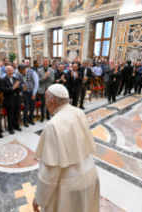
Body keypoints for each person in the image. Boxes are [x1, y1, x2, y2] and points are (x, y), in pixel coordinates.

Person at [33, 84, 100, 212]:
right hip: (90, 175)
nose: (45, 103)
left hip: (69, 187)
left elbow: (50, 173)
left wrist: (39, 198)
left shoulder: (52, 125)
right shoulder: (79, 112)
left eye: (45, 100)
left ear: (52, 102)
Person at [1, 66, 22, 134]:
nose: (11, 72)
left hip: (17, 99)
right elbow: (4, 90)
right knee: (10, 115)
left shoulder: (16, 78)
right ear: (6, 72)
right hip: (9, 100)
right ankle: (10, 128)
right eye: (9, 71)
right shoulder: (3, 80)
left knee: (16, 113)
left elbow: (21, 87)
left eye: (12, 70)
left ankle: (16, 126)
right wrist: (13, 87)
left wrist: (19, 87)